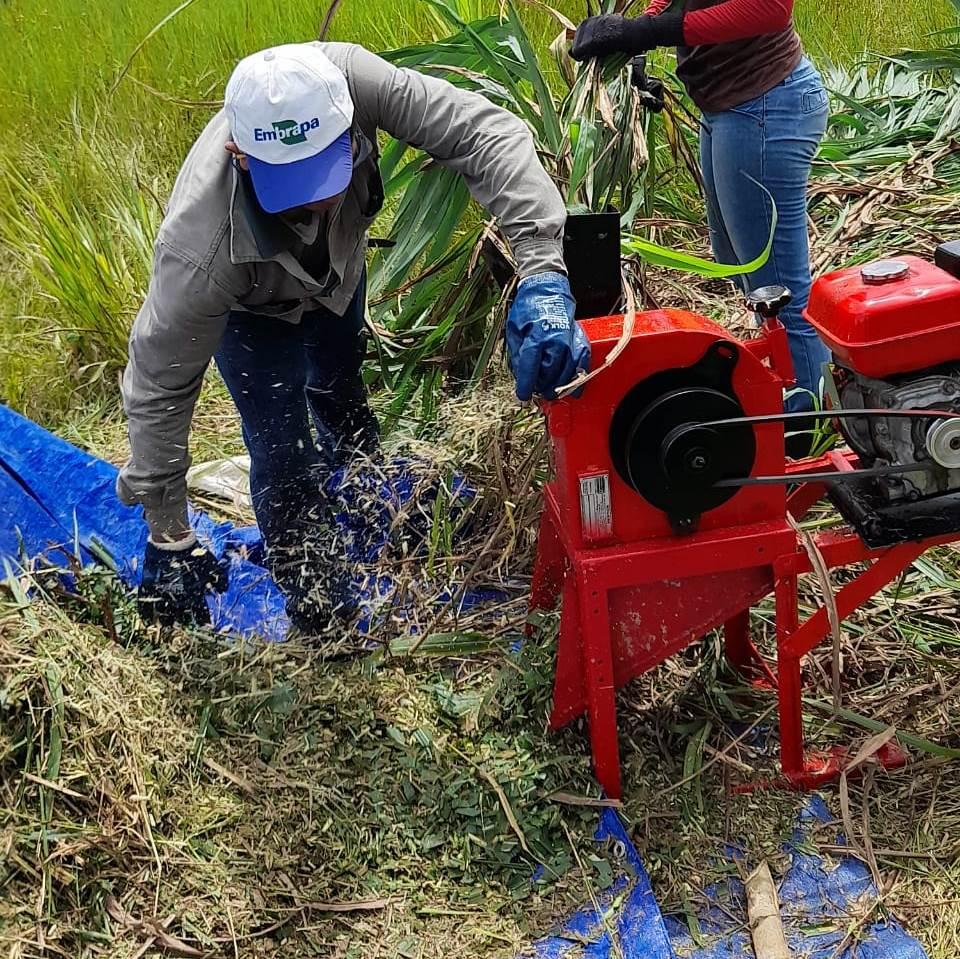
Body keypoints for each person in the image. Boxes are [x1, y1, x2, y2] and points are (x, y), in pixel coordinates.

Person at [119, 41, 590, 631]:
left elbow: (487, 134)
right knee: (281, 448)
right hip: (253, 309)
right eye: (293, 183)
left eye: (325, 170)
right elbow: (160, 384)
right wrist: (169, 534)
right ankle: (320, 606)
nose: (318, 199)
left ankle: (364, 500)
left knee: (341, 385)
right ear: (240, 156)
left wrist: (542, 271)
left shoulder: (355, 82)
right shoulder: (199, 250)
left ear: (347, 122)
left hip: (338, 275)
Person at [571, 0, 831, 420]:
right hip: (730, 108)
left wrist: (649, 32)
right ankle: (787, 387)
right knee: (738, 263)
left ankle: (811, 422)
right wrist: (640, 34)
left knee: (779, 290)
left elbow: (770, 10)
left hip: (763, 106)